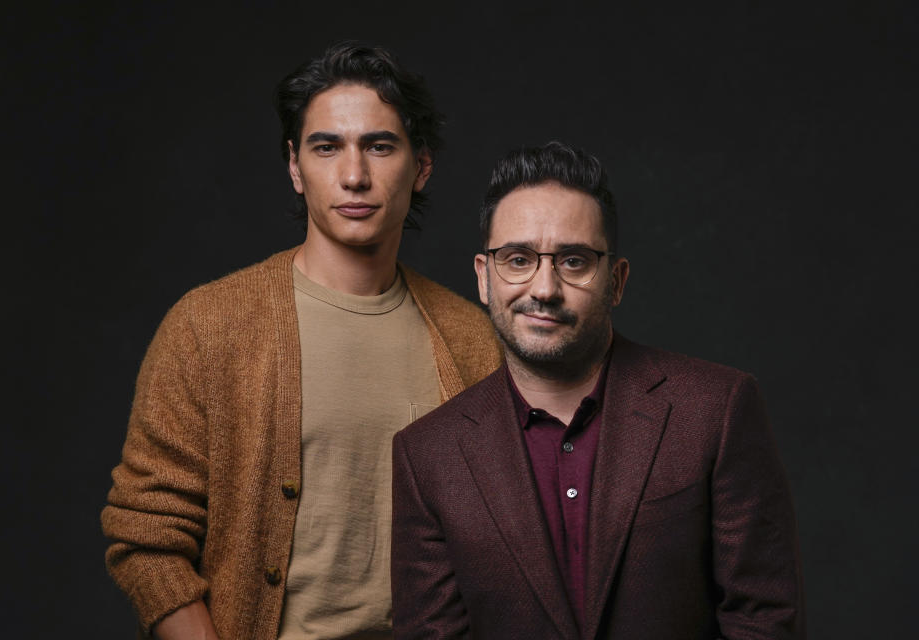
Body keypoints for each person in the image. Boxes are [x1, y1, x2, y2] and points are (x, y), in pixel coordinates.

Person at [101, 42, 500, 640]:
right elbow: (145, 535)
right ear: (294, 165)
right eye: (326, 146)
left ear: (421, 166)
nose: (354, 174)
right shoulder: (209, 324)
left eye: (379, 145)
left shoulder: (470, 338)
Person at [391, 141, 804, 639]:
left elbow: (764, 620)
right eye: (519, 259)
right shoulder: (428, 455)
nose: (544, 288)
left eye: (573, 261)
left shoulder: (717, 409)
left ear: (617, 280)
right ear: (484, 278)